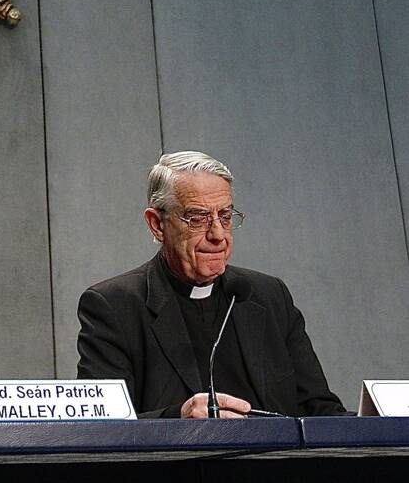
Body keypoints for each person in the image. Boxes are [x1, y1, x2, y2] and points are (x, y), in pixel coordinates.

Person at [77, 151, 346, 418]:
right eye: (197, 218)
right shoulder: (114, 306)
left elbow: (320, 410)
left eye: (225, 217)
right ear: (157, 224)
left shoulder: (269, 296)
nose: (218, 234)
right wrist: (178, 418)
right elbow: (104, 426)